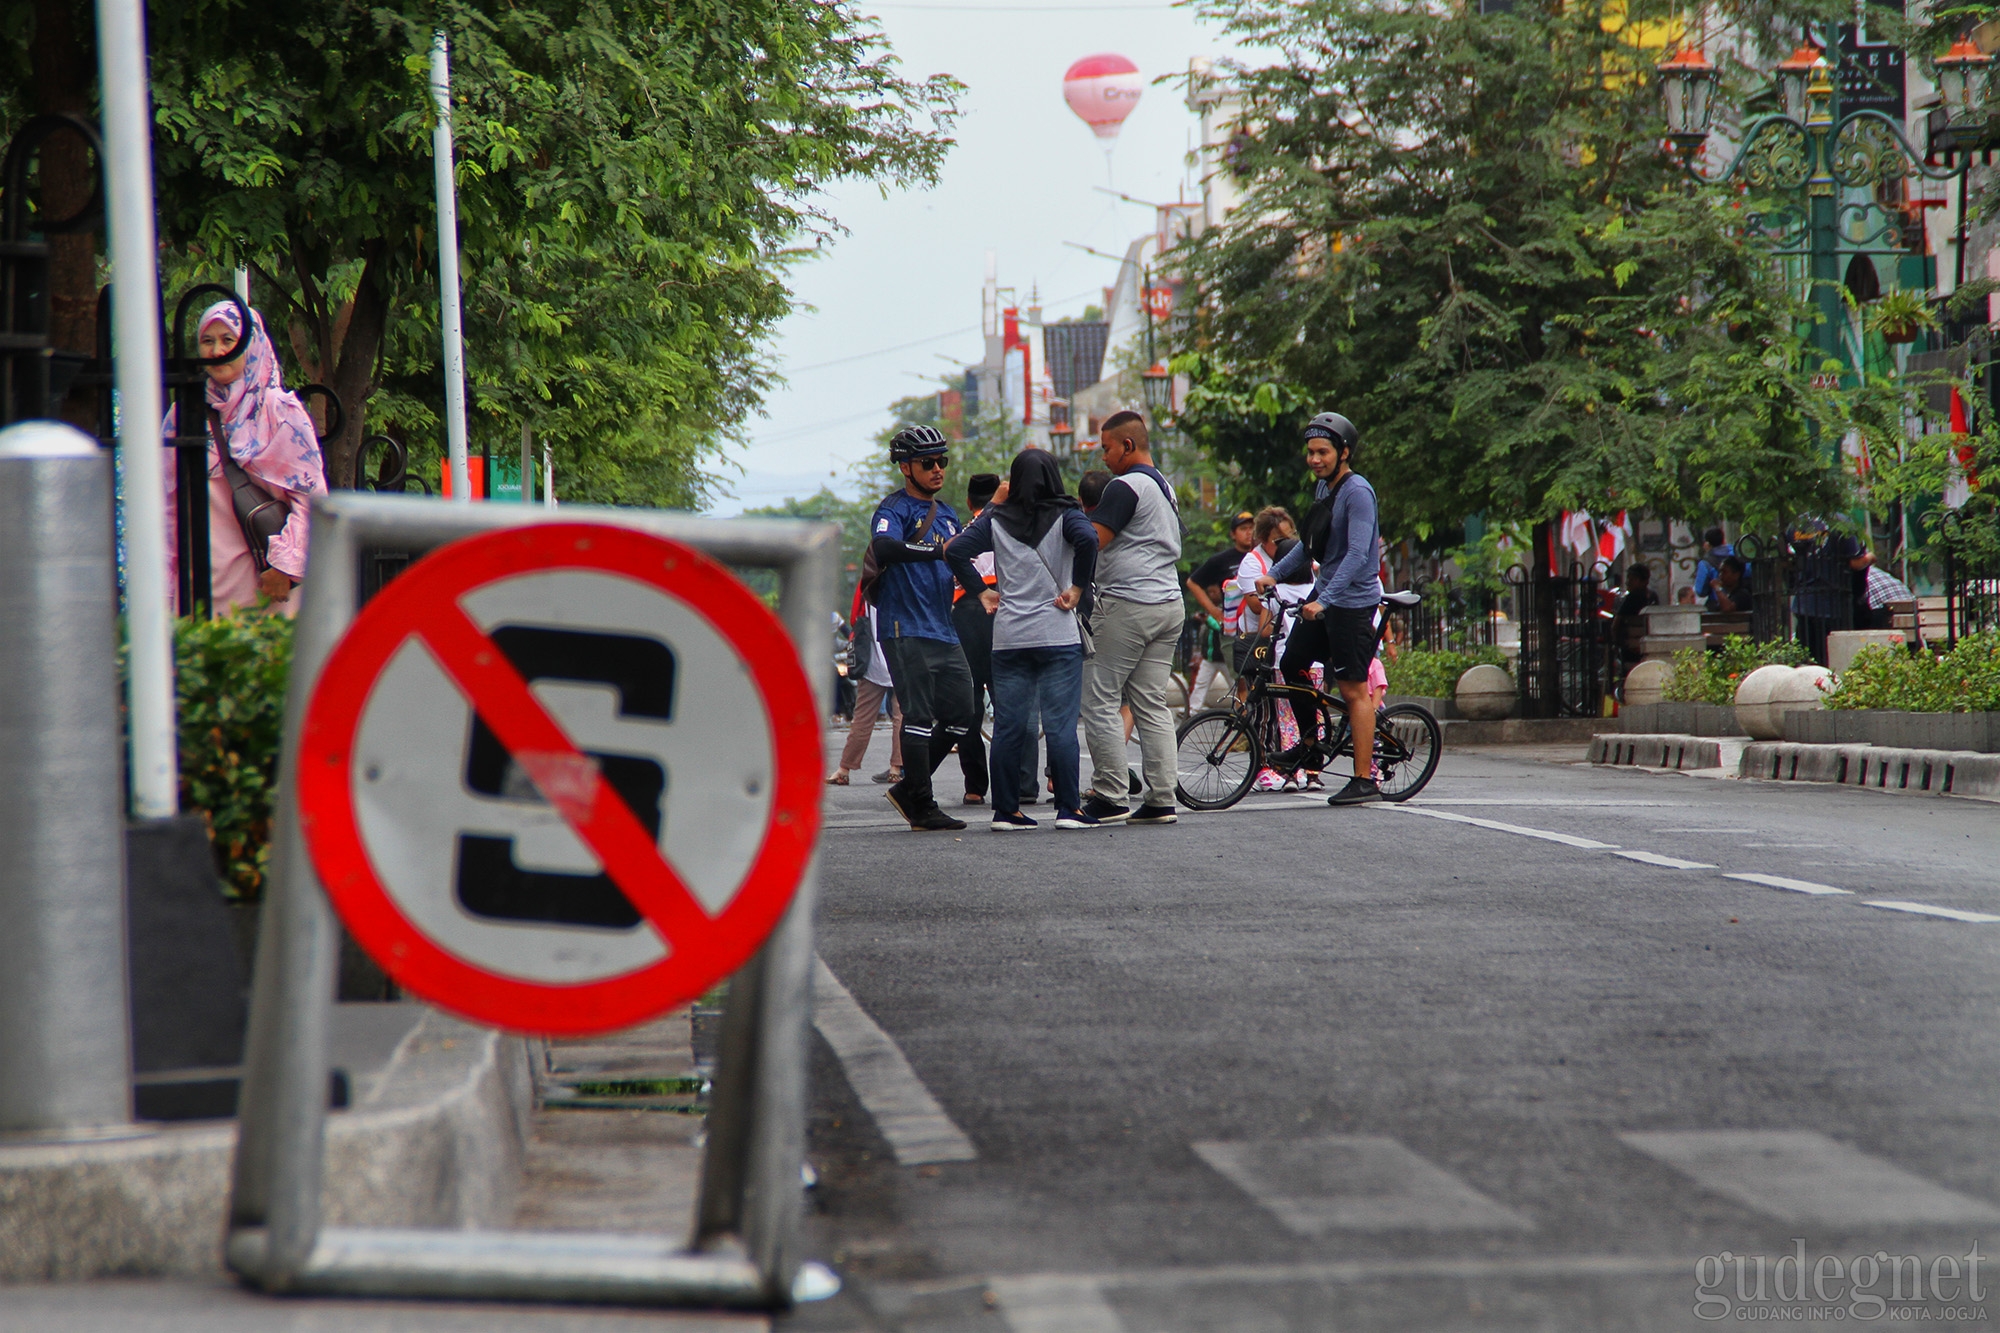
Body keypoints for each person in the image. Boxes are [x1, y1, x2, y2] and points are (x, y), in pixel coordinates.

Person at [946, 450, 1100, 830]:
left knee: (1009, 727)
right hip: (1057, 633)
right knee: (1061, 725)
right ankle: (1068, 809)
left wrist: (980, 592)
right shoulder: (1068, 513)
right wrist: (1077, 590)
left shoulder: (995, 519)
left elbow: (956, 550)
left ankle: (1007, 811)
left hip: (1010, 637)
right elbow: (1089, 542)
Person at [163, 302, 328, 615]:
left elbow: (311, 499)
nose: (216, 350)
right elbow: (165, 507)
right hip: (199, 593)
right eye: (207, 341)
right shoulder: (184, 414)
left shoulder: (279, 411)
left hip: (268, 590)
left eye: (228, 340)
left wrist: (284, 566)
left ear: (250, 343)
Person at [1256, 411, 1384, 806]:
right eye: (1310, 452)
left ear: (1343, 452)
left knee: (1353, 690)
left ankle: (1364, 780)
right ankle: (1311, 746)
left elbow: (1359, 554)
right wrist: (1274, 575)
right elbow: (1311, 549)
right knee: (1293, 663)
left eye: (1323, 452)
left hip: (1351, 605)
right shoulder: (1324, 491)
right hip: (1326, 601)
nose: (1314, 459)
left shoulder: (1357, 492)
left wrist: (1324, 600)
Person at [869, 424, 975, 831]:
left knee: (962, 713)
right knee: (917, 715)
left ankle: (909, 788)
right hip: (904, 627)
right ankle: (923, 806)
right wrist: (934, 549)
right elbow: (885, 547)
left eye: (942, 461)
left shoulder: (947, 514)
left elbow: (960, 556)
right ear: (905, 468)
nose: (937, 469)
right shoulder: (892, 510)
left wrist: (984, 592)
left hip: (943, 629)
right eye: (928, 463)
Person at [1079, 412, 1184, 826]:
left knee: (1101, 698)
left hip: (1129, 604)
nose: (1103, 458)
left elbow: (1093, 540)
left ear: (1126, 445)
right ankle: (1161, 798)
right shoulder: (1163, 485)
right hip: (1168, 603)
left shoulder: (1126, 485)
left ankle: (1109, 794)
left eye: (1106, 448)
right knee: (1150, 701)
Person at [951, 472, 1033, 807]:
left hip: (968, 614)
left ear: (970, 502)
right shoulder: (1013, 529)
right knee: (1014, 700)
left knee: (968, 706)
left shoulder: (963, 533)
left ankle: (975, 786)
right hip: (1005, 611)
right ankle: (1025, 783)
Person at [828, 587, 904, 786]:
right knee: (901, 716)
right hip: (902, 657)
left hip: (873, 662)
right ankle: (896, 768)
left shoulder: (867, 585)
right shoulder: (904, 579)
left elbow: (855, 619)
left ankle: (844, 769)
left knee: (862, 718)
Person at [1185, 513, 1256, 709]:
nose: (1249, 532)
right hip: (1234, 631)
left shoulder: (1262, 555)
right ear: (1233, 534)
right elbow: (1193, 582)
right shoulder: (1222, 560)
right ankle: (1245, 733)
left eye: (1252, 527)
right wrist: (1215, 612)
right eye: (1243, 528)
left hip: (1261, 627)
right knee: (1241, 682)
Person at [1612, 563, 1659, 675]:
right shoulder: (1653, 597)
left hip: (1631, 651)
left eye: (1632, 579)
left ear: (1642, 581)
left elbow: (1615, 625)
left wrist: (1617, 643)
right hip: (1650, 648)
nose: (1627, 582)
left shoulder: (1632, 598)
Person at [1692, 526, 1734, 606]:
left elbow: (1700, 591)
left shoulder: (1706, 563)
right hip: (1740, 600)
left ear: (1707, 543)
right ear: (1723, 540)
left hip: (1718, 603)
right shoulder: (1737, 554)